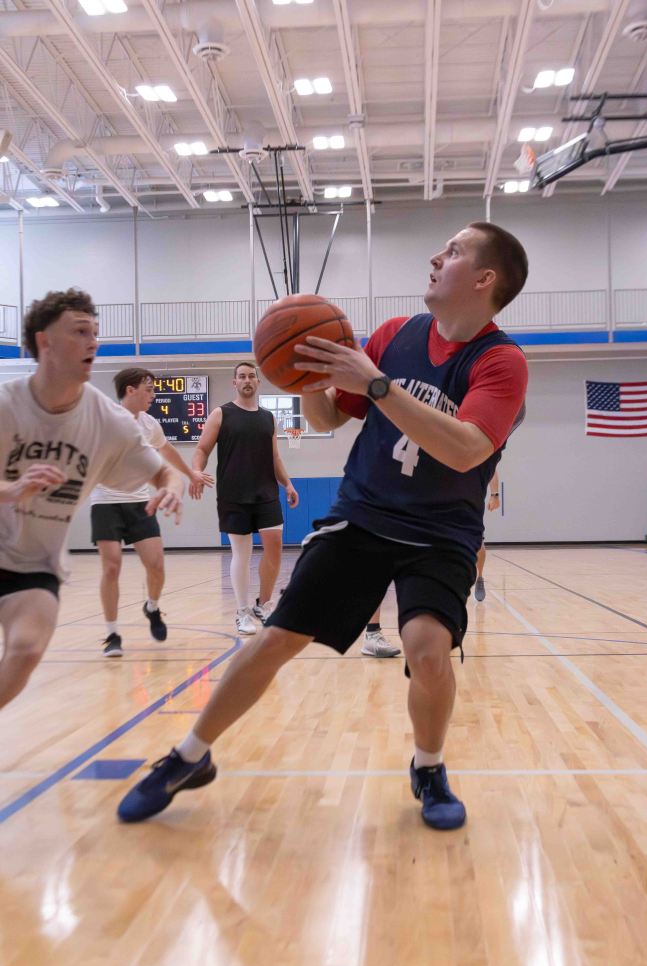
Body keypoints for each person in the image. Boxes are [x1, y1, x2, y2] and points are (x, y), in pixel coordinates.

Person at [118, 221, 529, 831]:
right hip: (363, 516)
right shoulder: (394, 335)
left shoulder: (501, 361)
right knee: (275, 638)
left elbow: (467, 449)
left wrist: (376, 385)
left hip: (442, 533)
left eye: (453, 251)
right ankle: (189, 755)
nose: (435, 256)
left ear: (484, 278)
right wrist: (310, 378)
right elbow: (329, 419)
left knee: (427, 651)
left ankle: (429, 766)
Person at [0, 289, 184, 711]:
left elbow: (163, 470)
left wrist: (172, 486)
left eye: (95, 333)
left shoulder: (109, 420)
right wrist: (10, 490)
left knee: (27, 649)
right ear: (45, 341)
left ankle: (139, 614)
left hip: (32, 563)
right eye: (80, 332)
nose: (93, 342)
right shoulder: (7, 406)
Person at [90, 367, 214, 657]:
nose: (153, 396)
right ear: (130, 390)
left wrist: (191, 474)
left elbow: (167, 451)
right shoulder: (105, 420)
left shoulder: (149, 424)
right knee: (111, 567)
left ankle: (152, 607)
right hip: (105, 502)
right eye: (149, 390)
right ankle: (112, 634)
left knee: (156, 565)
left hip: (139, 502)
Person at [189, 362, 298, 635]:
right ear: (234, 382)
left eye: (251, 376)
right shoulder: (221, 414)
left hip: (266, 492)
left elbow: (275, 457)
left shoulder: (268, 418)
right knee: (242, 553)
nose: (247, 380)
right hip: (233, 494)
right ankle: (242, 611)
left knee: (274, 548)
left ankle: (264, 603)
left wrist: (287, 483)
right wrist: (196, 471)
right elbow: (202, 449)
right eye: (242, 376)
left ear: (258, 382)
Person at [473, 469, 500, 602]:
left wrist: (494, 495)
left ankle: (479, 577)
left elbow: (492, 468)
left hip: (472, 501)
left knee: (478, 542)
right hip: (447, 500)